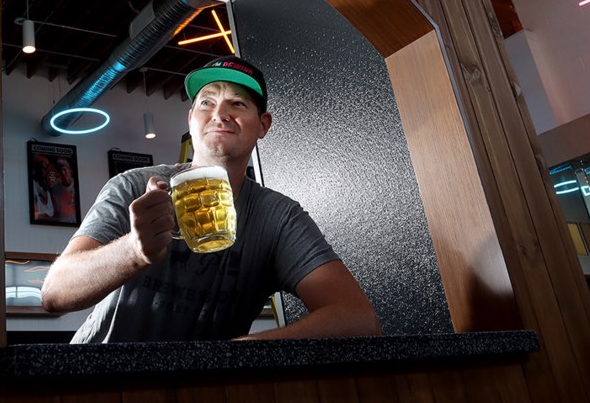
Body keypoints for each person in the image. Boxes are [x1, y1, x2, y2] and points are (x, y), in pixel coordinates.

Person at [41, 56, 381, 342]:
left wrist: (236, 356)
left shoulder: (279, 217)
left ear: (263, 124)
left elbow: (358, 319)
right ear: (191, 120)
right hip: (96, 382)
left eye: (237, 103)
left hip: (206, 390)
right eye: (207, 102)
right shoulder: (135, 185)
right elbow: (55, 294)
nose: (219, 113)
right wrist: (134, 250)